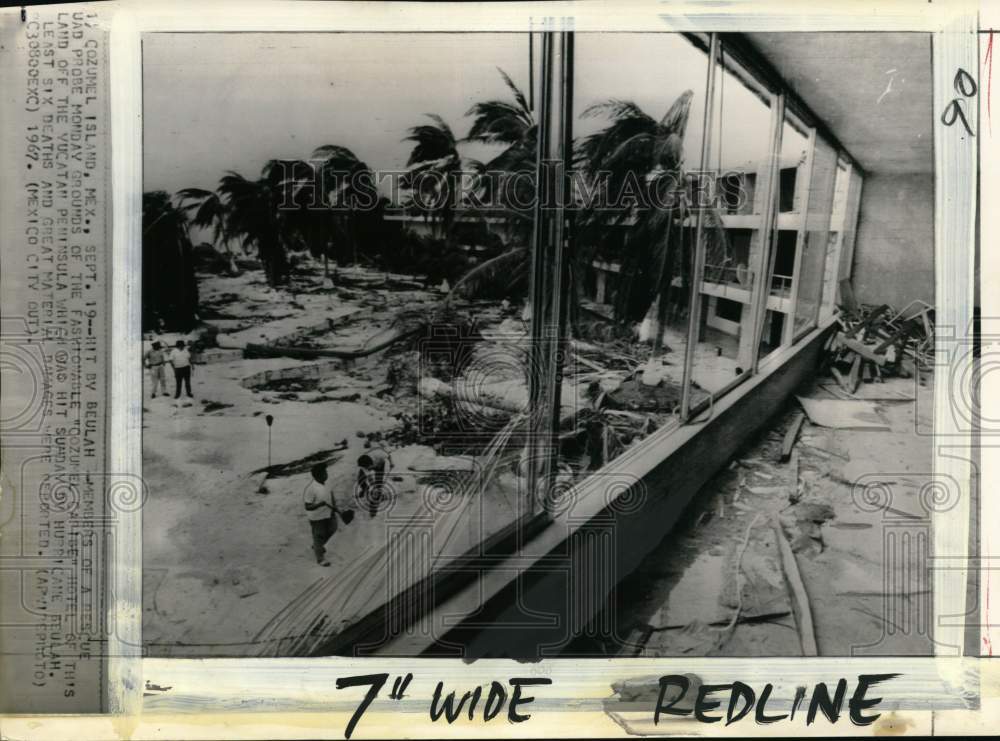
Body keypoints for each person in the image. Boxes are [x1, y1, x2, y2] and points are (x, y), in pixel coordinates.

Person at [303, 463, 337, 566]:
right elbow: (307, 506)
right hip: (317, 517)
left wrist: (334, 506)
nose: (326, 475)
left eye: (326, 472)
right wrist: (319, 505)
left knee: (333, 529)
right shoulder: (311, 488)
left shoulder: (327, 483)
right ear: (317, 475)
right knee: (319, 535)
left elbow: (331, 495)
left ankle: (317, 545)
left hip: (329, 513)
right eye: (324, 473)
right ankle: (320, 558)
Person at [356, 448, 392, 518]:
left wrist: (391, 463)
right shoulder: (364, 464)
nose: (368, 469)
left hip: (380, 464)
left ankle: (376, 502)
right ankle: (365, 490)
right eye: (366, 468)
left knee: (378, 483)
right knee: (360, 479)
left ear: (371, 463)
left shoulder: (380, 454)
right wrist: (372, 487)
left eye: (369, 467)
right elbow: (370, 478)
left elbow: (389, 456)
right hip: (372, 463)